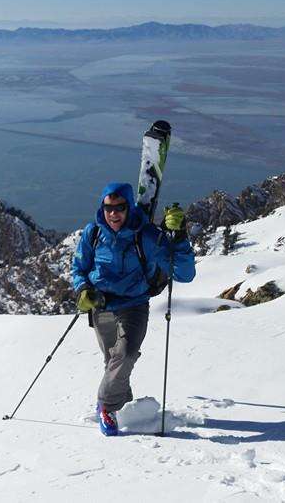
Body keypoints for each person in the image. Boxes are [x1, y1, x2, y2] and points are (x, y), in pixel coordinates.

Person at [71, 182, 196, 436]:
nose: (113, 213)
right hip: (101, 305)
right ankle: (125, 406)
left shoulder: (146, 236)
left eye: (119, 207)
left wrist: (180, 237)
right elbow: (79, 267)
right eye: (108, 208)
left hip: (134, 305)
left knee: (125, 355)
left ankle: (106, 406)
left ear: (129, 207)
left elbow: (183, 273)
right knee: (113, 362)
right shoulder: (93, 233)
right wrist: (83, 288)